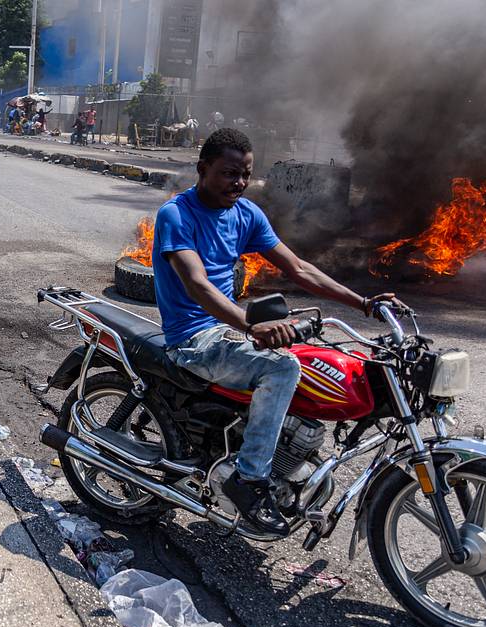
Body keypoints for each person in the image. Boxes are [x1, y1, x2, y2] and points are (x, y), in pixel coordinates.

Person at [152, 128, 399, 535]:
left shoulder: (246, 213)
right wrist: (251, 324)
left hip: (229, 330)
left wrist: (364, 303)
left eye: (246, 174)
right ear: (202, 169)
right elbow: (197, 284)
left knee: (318, 359)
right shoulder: (176, 215)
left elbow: (298, 268)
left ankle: (280, 451)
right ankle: (248, 479)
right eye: (230, 173)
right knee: (281, 370)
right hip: (194, 337)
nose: (240, 183)